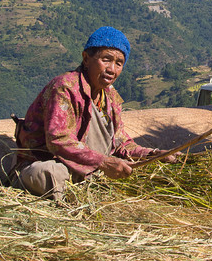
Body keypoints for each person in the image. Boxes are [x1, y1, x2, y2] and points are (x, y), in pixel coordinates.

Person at [14, 26, 174, 199]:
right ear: (86, 58)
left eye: (119, 63)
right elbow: (57, 141)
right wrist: (103, 162)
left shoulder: (110, 97)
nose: (112, 69)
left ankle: (87, 184)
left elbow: (121, 143)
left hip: (91, 167)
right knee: (53, 174)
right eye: (106, 59)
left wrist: (153, 155)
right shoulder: (64, 88)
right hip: (50, 163)